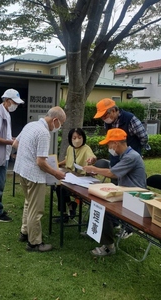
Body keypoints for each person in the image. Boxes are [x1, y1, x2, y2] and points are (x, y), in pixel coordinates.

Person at [83, 128, 146, 257]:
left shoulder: (131, 156)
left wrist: (95, 169)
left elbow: (112, 173)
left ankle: (109, 247)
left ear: (116, 143)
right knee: (97, 202)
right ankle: (95, 231)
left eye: (109, 144)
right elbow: (114, 172)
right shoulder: (125, 155)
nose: (109, 147)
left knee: (104, 210)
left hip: (135, 198)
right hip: (125, 194)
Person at [13, 106, 67, 252]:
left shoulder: (30, 125)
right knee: (36, 210)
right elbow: (41, 162)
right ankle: (34, 243)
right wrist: (56, 173)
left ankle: (25, 232)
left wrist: (26, 155)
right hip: (34, 176)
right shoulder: (44, 133)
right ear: (55, 120)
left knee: (28, 203)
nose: (59, 127)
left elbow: (15, 143)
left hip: (22, 171)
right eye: (60, 124)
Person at [0, 88, 24, 222]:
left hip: (3, 154)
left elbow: (3, 135)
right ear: (7, 101)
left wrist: (11, 139)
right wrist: (11, 142)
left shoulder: (5, 112)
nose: (16, 106)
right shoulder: (0, 114)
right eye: (14, 103)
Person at [93, 98, 149, 168]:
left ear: (113, 111)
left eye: (104, 116)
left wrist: (135, 151)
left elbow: (144, 137)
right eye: (101, 117)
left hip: (130, 160)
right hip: (115, 160)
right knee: (114, 175)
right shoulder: (107, 123)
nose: (103, 119)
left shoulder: (130, 119)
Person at [56, 128, 96, 222]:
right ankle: (68, 208)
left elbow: (92, 157)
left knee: (62, 189)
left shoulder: (86, 148)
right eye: (74, 137)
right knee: (58, 186)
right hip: (71, 175)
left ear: (83, 137)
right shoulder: (70, 148)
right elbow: (68, 159)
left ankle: (67, 211)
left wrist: (92, 160)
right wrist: (57, 164)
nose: (77, 140)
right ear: (70, 139)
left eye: (79, 137)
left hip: (82, 177)